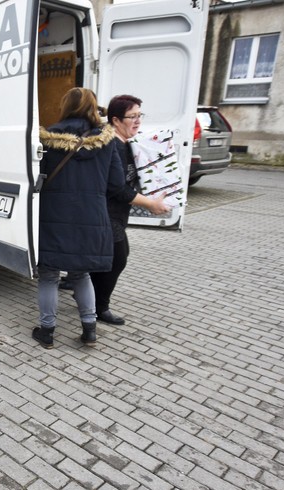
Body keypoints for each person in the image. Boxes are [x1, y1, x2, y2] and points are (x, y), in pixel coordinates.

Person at [34, 87, 127, 349]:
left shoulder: (48, 138)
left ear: (66, 106)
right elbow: (117, 184)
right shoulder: (107, 140)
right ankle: (89, 330)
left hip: (53, 215)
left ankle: (48, 331)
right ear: (92, 107)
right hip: (92, 216)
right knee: (81, 274)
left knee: (49, 275)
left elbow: (36, 179)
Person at [89, 94, 169, 326]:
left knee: (110, 258)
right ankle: (98, 307)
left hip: (116, 212)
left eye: (139, 115)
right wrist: (149, 203)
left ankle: (88, 294)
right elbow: (117, 188)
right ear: (116, 120)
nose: (137, 121)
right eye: (132, 116)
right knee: (118, 258)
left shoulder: (128, 144)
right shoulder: (113, 145)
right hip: (106, 211)